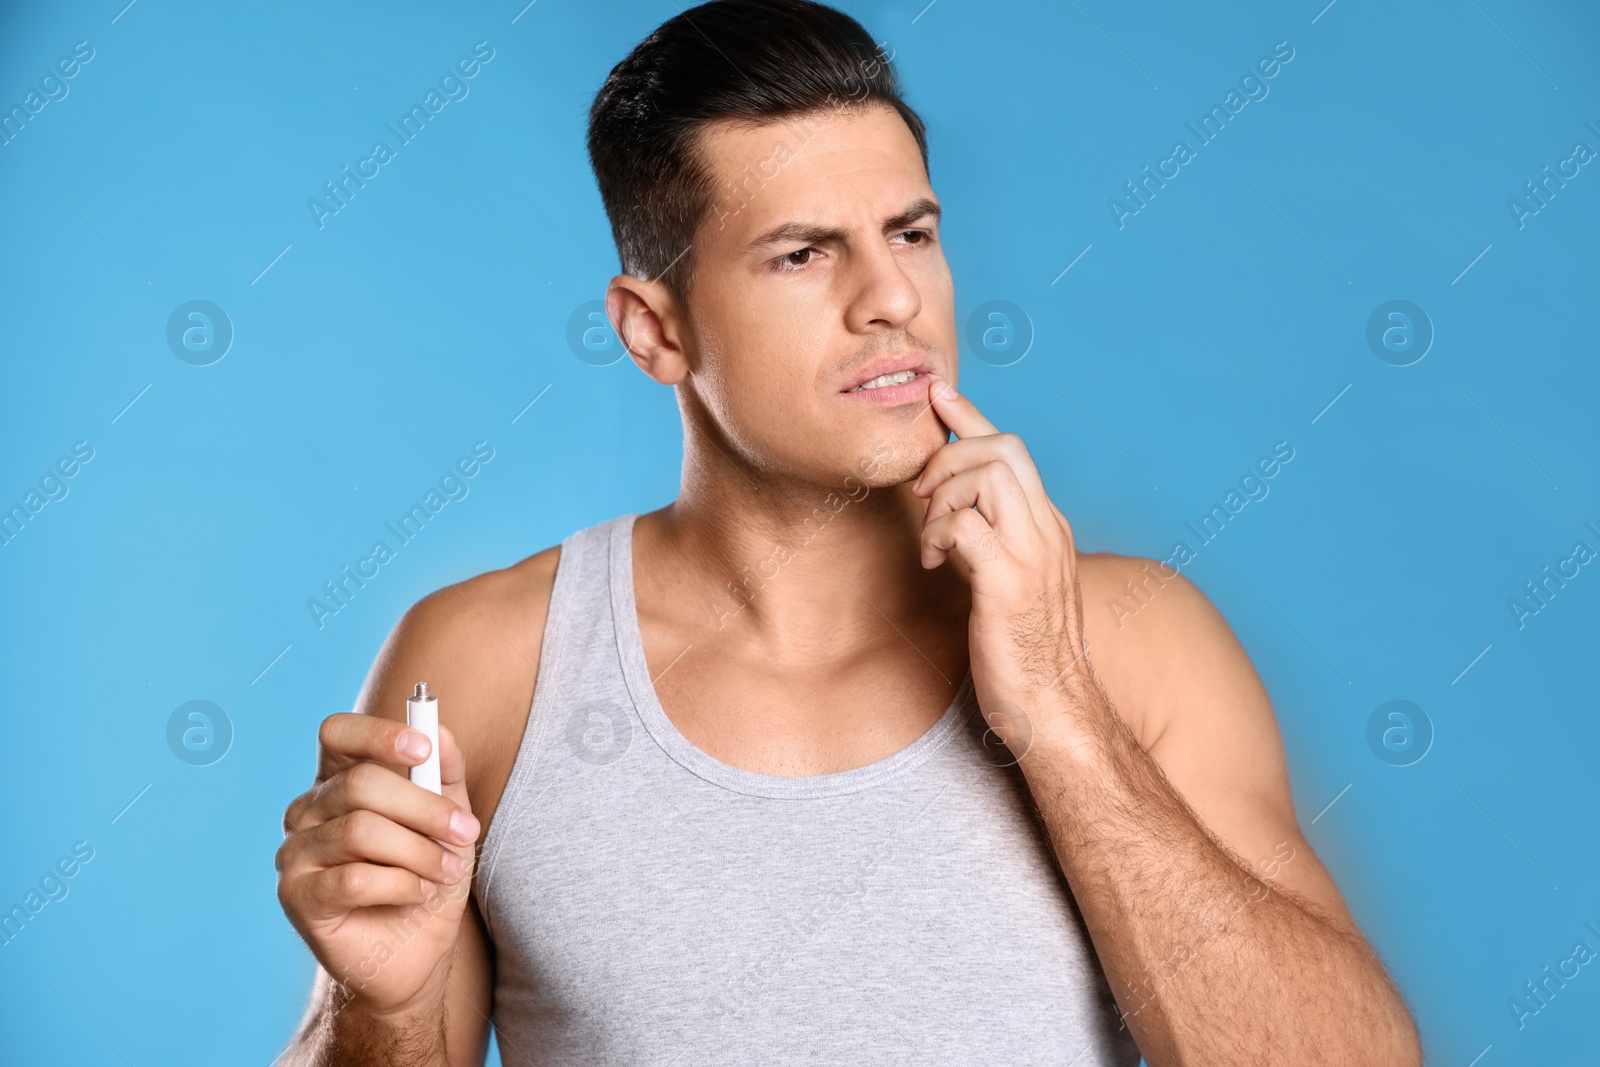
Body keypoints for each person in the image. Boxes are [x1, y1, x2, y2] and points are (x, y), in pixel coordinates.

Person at [273, 1, 1422, 1063]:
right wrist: (373, 1006)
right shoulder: (484, 663)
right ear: (654, 331)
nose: (891, 299)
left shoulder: (1133, 637)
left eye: (911, 233)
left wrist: (1059, 711)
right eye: (804, 252)